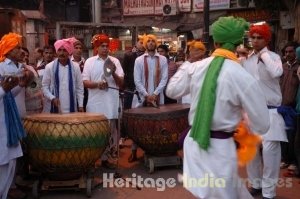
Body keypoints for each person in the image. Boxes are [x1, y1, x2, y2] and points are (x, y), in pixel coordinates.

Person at [166, 16, 270, 199]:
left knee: (221, 193)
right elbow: (262, 125)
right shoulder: (243, 77)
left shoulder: (195, 67)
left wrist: (188, 63)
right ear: (239, 44)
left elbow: (172, 91)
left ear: (215, 42)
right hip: (221, 149)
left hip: (195, 143)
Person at [243, 23, 287, 199]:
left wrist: (264, 55)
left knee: (270, 153)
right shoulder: (246, 60)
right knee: (251, 152)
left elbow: (277, 72)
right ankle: (255, 184)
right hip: (252, 112)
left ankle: (269, 192)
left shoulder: (274, 57)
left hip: (271, 112)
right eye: (252, 37)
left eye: (259, 37)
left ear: (266, 39)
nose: (254, 40)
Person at [82, 34, 124, 168]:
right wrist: (97, 84)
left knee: (109, 134)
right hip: (95, 105)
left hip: (111, 104)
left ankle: (106, 159)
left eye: (107, 46)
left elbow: (121, 83)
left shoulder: (114, 61)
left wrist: (113, 72)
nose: (105, 48)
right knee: (94, 133)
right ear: (96, 48)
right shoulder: (90, 61)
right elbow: (85, 82)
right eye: (102, 46)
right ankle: (92, 160)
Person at [0, 32, 34, 199]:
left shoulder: (24, 67)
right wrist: (3, 89)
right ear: (7, 50)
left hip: (17, 114)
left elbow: (29, 90)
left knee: (14, 156)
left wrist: (23, 83)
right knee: (5, 158)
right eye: (17, 48)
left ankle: (11, 187)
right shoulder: (0, 67)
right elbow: (4, 92)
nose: (21, 51)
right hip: (4, 119)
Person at [128, 34, 168, 162]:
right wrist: (146, 95)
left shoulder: (162, 59)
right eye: (148, 41)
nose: (151, 43)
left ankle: (155, 151)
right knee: (137, 125)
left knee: (157, 125)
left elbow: (164, 79)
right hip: (141, 97)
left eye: (153, 41)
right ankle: (134, 151)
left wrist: (155, 94)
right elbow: (137, 80)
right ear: (145, 44)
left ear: (156, 43)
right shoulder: (139, 60)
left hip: (158, 97)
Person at [42, 38, 84, 113]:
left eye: (64, 50)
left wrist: (80, 105)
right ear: (56, 52)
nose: (62, 53)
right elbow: (44, 87)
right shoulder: (49, 67)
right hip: (54, 108)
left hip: (72, 108)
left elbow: (80, 88)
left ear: (69, 52)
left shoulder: (75, 67)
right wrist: (52, 98)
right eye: (59, 50)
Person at [279, 41, 299, 176]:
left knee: (293, 135)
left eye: (291, 51)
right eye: (286, 52)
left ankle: (292, 161)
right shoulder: (282, 67)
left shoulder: (298, 67)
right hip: (281, 105)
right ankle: (285, 159)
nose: (288, 54)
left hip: (293, 107)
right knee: (282, 134)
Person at [180, 40, 206, 104]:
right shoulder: (186, 65)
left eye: (199, 51)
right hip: (187, 100)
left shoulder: (206, 64)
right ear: (190, 52)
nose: (197, 53)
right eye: (194, 51)